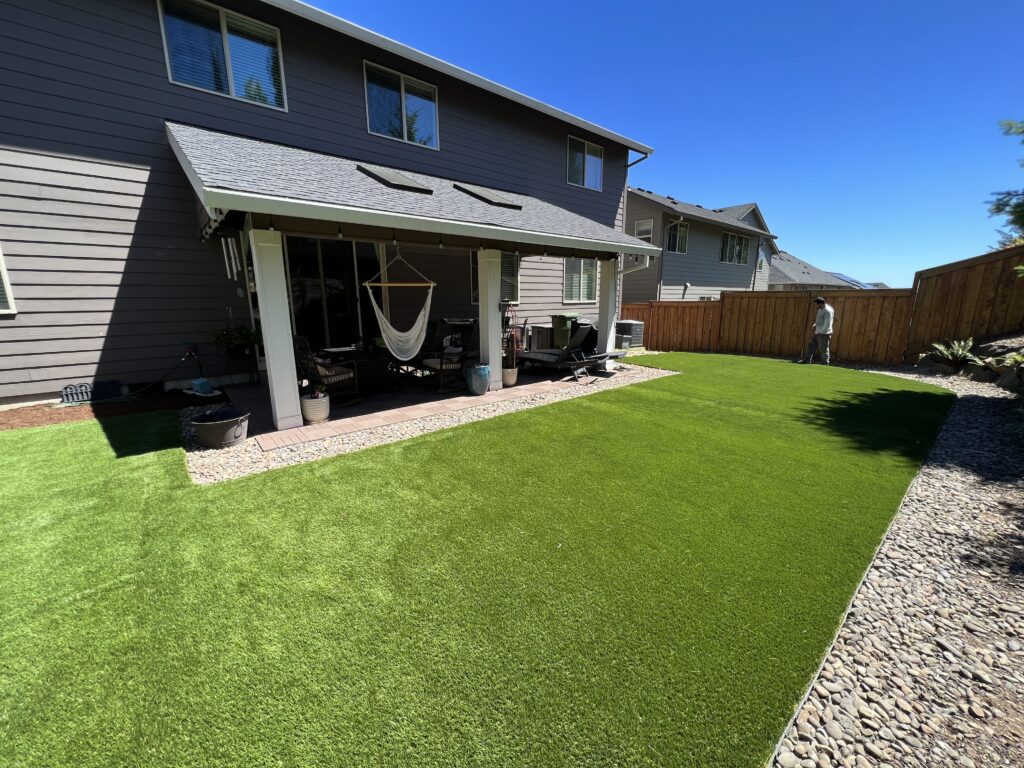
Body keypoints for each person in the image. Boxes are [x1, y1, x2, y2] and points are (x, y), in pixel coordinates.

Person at [796, 297, 834, 364]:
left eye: (816, 304)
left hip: (824, 333)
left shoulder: (827, 311)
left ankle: (825, 362)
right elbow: (821, 319)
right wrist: (815, 324)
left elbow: (828, 324)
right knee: (811, 346)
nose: (815, 306)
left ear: (821, 304)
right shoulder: (820, 309)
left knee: (823, 349)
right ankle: (807, 360)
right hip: (818, 332)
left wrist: (821, 332)